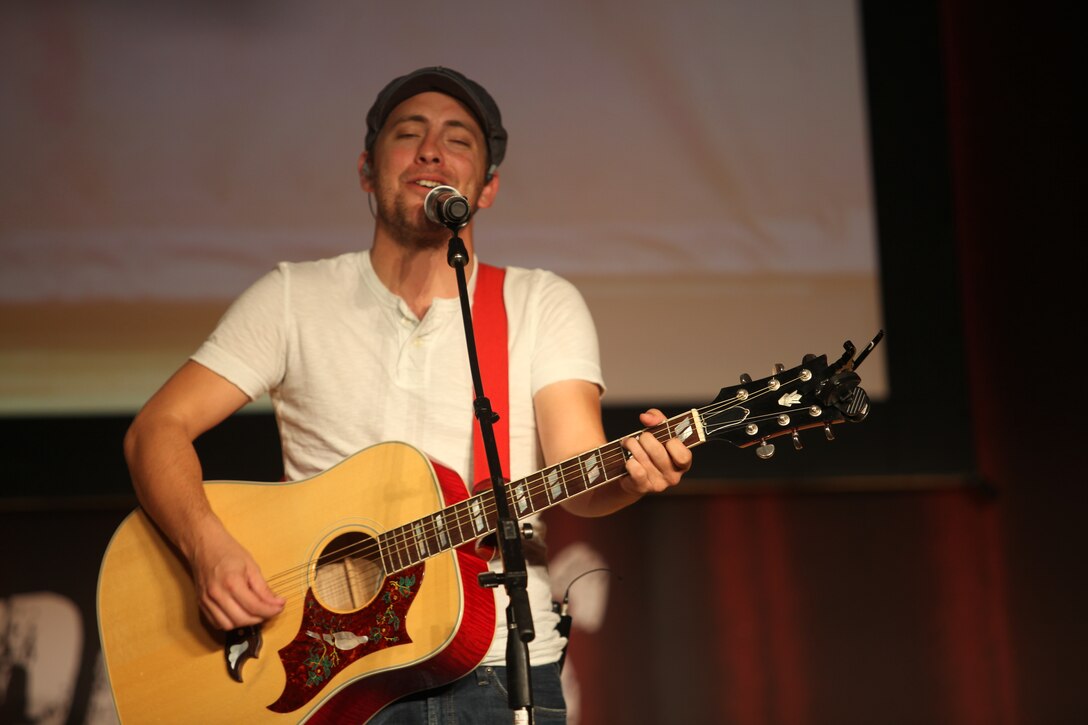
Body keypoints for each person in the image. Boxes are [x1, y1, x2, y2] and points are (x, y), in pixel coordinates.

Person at [123, 66, 693, 724]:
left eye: (458, 140)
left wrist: (635, 475)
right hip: (324, 675)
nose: (431, 150)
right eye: (408, 134)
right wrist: (208, 549)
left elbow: (583, 472)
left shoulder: (540, 304)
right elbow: (156, 430)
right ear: (367, 170)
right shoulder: (291, 297)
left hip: (497, 664)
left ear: (488, 187)